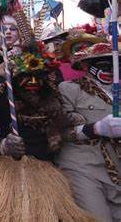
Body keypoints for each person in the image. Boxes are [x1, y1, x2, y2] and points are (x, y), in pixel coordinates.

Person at [0, 42, 93, 221]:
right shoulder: (0, 96)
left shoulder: (51, 99)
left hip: (43, 173)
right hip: (4, 169)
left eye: (38, 76)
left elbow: (64, 133)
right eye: (26, 76)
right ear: (15, 74)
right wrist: (2, 145)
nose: (32, 82)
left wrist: (91, 129)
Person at [57, 43, 121, 220]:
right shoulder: (70, 89)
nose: (109, 68)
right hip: (83, 166)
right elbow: (60, 133)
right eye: (102, 63)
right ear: (85, 65)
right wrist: (97, 128)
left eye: (113, 62)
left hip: (115, 168)